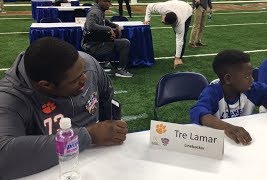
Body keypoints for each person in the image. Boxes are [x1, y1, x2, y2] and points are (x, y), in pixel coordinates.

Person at [0, 37, 128, 179]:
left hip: (98, 160)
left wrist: (109, 128)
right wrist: (88, 135)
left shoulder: (88, 64)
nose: (85, 79)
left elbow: (106, 97)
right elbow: (4, 155)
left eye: (83, 70)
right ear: (45, 85)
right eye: (75, 81)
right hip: (53, 171)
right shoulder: (11, 97)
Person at [82, 0, 133, 78]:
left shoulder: (99, 10)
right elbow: (90, 26)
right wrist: (108, 28)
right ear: (99, 1)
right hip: (92, 45)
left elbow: (104, 20)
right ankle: (120, 69)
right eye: (107, 1)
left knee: (113, 39)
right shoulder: (95, 11)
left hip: (95, 42)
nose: (110, 4)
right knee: (125, 43)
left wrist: (114, 25)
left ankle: (105, 63)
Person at [144, 0, 193, 69]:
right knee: (180, 36)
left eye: (164, 23)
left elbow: (179, 41)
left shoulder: (180, 24)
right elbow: (149, 6)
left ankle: (179, 58)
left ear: (172, 24)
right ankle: (177, 56)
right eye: (163, 20)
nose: (161, 21)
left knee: (182, 36)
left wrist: (177, 58)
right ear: (165, 14)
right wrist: (147, 20)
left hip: (187, 9)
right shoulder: (162, 8)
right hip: (175, 4)